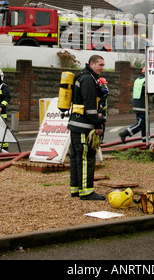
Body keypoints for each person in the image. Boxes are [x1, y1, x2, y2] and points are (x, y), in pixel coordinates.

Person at [68, 55, 106, 201]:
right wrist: (97, 124)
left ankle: (76, 189)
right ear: (92, 64)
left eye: (103, 65)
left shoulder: (83, 76)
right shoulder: (88, 79)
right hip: (84, 126)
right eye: (100, 65)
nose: (102, 68)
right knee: (86, 158)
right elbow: (90, 106)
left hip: (76, 125)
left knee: (76, 158)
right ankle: (87, 192)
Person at [119, 67, 147, 144]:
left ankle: (145, 141)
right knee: (141, 123)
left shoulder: (138, 80)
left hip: (137, 104)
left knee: (145, 124)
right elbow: (148, 91)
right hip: (142, 105)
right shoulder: (146, 81)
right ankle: (125, 133)